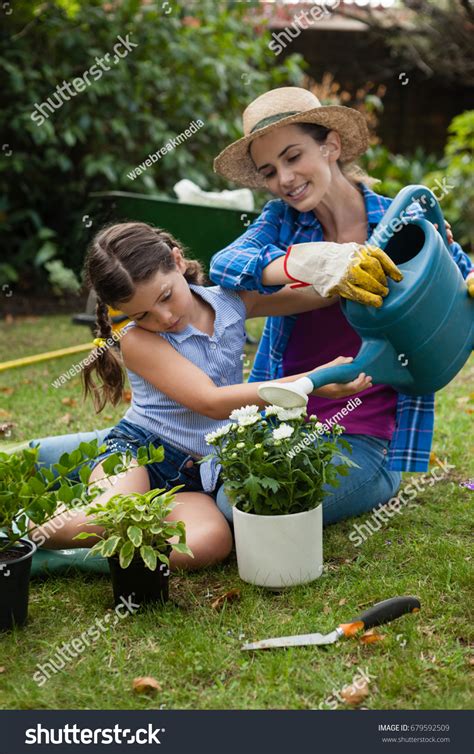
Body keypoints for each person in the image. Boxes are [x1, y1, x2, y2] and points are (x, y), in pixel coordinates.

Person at [30, 221, 377, 569]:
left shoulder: (230, 300)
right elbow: (210, 402)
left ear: (177, 261)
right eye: (142, 314)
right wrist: (311, 382)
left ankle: (74, 558)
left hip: (198, 476)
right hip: (140, 454)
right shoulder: (138, 341)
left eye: (165, 296)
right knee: (106, 519)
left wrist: (350, 271)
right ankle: (20, 532)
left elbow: (314, 295)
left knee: (210, 543)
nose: (164, 317)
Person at [210, 86, 474, 525]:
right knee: (233, 501)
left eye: (294, 157)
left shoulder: (405, 223)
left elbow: (463, 277)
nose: (285, 179)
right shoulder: (281, 221)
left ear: (330, 145)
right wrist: (308, 262)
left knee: (254, 512)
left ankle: (380, 479)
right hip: (286, 420)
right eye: (270, 171)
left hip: (364, 433)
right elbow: (226, 264)